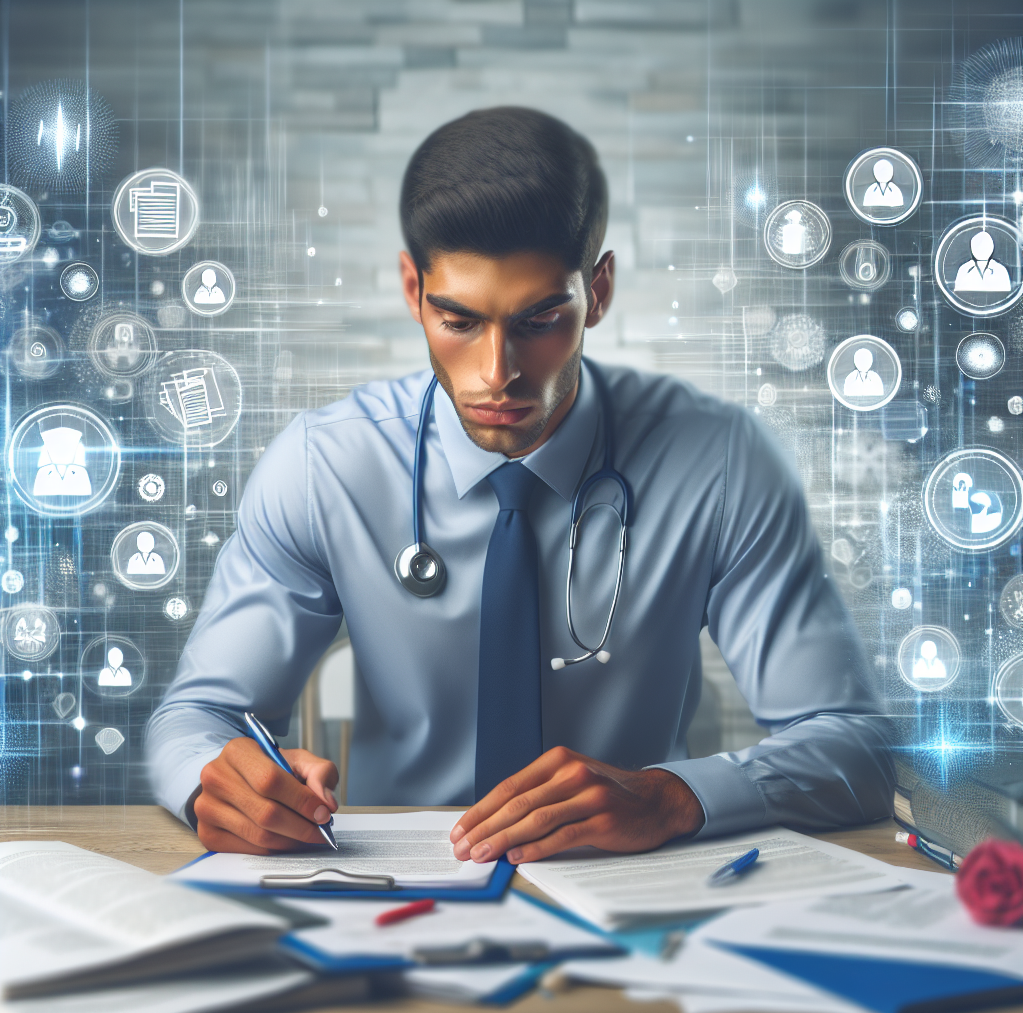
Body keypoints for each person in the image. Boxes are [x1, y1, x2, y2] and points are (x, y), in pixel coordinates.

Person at [146, 107, 893, 861]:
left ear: (596, 293)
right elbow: (199, 716)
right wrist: (219, 783)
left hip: (635, 883)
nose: (497, 371)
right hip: (385, 887)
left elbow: (854, 746)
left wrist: (676, 797)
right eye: (459, 321)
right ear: (414, 290)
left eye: (540, 321)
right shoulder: (325, 466)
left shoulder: (720, 460)